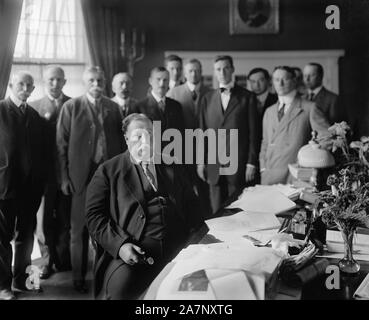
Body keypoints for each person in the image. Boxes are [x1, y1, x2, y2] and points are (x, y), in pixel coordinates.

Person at [85, 113, 203, 299]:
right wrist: (121, 246)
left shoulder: (172, 163)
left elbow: (192, 205)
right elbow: (94, 217)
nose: (145, 141)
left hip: (179, 246)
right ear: (126, 139)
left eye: (150, 134)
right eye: (138, 136)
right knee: (120, 292)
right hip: (135, 249)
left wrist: (200, 237)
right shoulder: (108, 171)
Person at [56, 66, 124, 293]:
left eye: (100, 81)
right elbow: (61, 146)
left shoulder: (113, 108)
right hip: (80, 179)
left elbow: (123, 145)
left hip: (108, 179)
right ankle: (77, 276)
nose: (96, 85)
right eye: (92, 81)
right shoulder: (71, 107)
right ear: (85, 83)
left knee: (106, 227)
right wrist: (65, 177)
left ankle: (103, 275)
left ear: (105, 82)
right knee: (78, 230)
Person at [0, 71, 47, 300]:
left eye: (29, 85)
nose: (25, 88)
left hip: (30, 189)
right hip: (4, 188)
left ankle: (23, 279)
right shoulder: (0, 111)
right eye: (21, 84)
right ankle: (3, 286)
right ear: (11, 85)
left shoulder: (36, 117)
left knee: (26, 237)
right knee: (2, 239)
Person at [198, 55, 260, 213]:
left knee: (238, 210)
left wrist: (251, 163)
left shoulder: (248, 97)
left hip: (239, 163)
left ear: (232, 69)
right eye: (218, 69)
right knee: (215, 211)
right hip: (213, 163)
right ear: (214, 72)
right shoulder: (207, 98)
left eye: (226, 68)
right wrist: (200, 162)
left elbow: (254, 133)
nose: (222, 72)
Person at [31, 65, 72, 280]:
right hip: (44, 176)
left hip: (67, 174)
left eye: (59, 80)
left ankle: (63, 259)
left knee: (66, 219)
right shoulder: (34, 107)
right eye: (51, 80)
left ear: (64, 82)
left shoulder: (74, 105)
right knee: (43, 220)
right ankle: (46, 261)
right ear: (44, 81)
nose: (55, 84)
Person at [260, 66, 330, 185]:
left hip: (293, 175)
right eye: (276, 80)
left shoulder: (309, 108)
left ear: (294, 81)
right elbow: (265, 142)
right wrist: (263, 167)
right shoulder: (269, 111)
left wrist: (306, 164)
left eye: (285, 79)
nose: (280, 83)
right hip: (269, 174)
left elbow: (326, 139)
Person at [167, 59, 212, 218]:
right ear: (185, 74)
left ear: (201, 72)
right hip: (181, 148)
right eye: (190, 71)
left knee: (205, 189)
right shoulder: (173, 92)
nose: (194, 74)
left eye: (197, 70)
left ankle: (208, 222)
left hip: (205, 149)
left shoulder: (211, 92)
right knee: (184, 188)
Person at [130, 67, 185, 133]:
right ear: (150, 81)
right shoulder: (139, 107)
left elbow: (181, 132)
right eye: (158, 79)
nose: (162, 84)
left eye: (165, 80)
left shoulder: (176, 106)